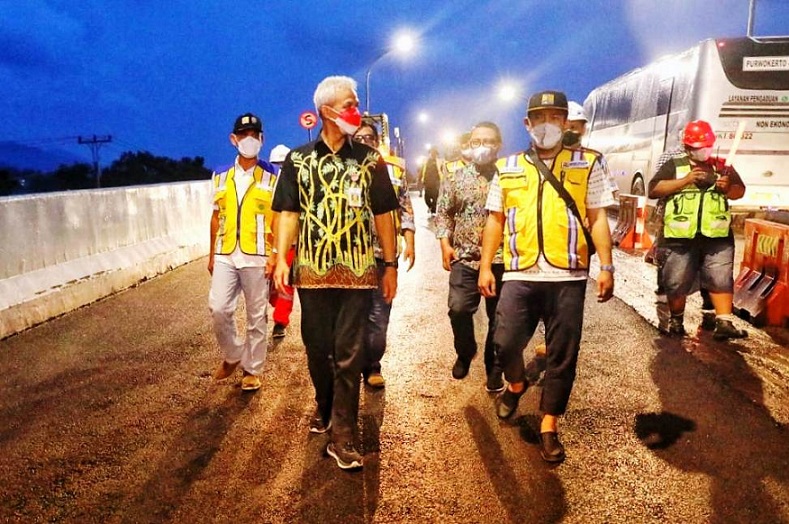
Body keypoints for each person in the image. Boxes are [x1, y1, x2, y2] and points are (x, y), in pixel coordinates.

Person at [478, 90, 616, 463]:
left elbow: (598, 217)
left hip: (568, 273)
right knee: (504, 343)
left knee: (561, 355)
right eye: (540, 118)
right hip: (520, 272)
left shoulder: (588, 163)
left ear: (565, 122)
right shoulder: (507, 167)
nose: (547, 125)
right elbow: (494, 219)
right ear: (528, 124)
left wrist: (606, 266)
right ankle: (517, 383)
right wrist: (486, 265)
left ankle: (549, 424)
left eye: (555, 117)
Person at [272, 76, 399, 471]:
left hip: (359, 272)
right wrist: (280, 259)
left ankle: (343, 435)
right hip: (311, 272)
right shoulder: (298, 161)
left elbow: (383, 215)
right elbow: (288, 214)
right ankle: (324, 406)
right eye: (348, 104)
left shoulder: (370, 160)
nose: (355, 110)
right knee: (316, 350)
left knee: (350, 354)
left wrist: (389, 265)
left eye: (356, 103)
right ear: (327, 111)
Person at [647, 120, 747, 340]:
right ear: (688, 147)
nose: (703, 151)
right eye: (698, 147)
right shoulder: (675, 164)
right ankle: (676, 320)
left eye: (706, 146)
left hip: (716, 235)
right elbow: (654, 189)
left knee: (720, 277)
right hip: (680, 235)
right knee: (676, 281)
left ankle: (724, 322)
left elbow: (740, 191)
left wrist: (727, 187)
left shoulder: (722, 166)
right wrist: (685, 180)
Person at [208, 113, 278, 392]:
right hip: (226, 251)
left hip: (258, 253)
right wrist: (211, 253)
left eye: (254, 135)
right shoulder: (220, 175)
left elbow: (281, 216)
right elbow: (215, 216)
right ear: (233, 139)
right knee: (219, 308)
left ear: (261, 139)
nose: (249, 140)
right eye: (243, 135)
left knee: (256, 315)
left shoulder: (274, 175)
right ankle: (234, 354)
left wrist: (275, 254)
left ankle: (252, 369)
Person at [435, 121, 506, 392]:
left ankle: (494, 369)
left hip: (503, 260)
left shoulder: (509, 176)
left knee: (499, 319)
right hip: (465, 258)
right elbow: (444, 211)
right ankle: (465, 351)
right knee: (459, 309)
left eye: (488, 141)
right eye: (476, 142)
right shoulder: (455, 177)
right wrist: (445, 243)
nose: (482, 147)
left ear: (498, 145)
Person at [353, 121, 415, 388]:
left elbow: (405, 209)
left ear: (377, 141)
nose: (364, 141)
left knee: (379, 318)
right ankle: (352, 367)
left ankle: (373, 364)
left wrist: (409, 241)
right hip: (350, 258)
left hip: (382, 255)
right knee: (352, 318)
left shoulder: (392, 171)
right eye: (359, 137)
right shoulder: (343, 170)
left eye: (369, 137)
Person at [267, 144, 295, 339]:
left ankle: (280, 320)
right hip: (270, 244)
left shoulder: (295, 182)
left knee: (285, 283)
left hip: (291, 243)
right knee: (275, 286)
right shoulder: (266, 185)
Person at [420, 147, 442, 214]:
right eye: (432, 153)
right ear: (430, 153)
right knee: (427, 197)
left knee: (435, 197)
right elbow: (422, 170)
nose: (433, 154)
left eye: (434, 153)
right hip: (427, 182)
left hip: (436, 182)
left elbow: (442, 170)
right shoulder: (426, 161)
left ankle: (433, 211)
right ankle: (430, 206)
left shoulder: (439, 161)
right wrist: (421, 179)